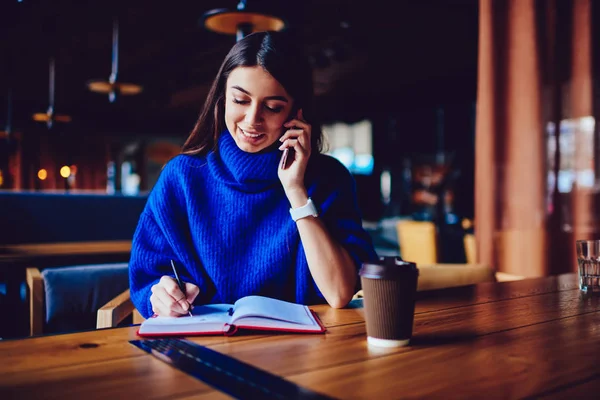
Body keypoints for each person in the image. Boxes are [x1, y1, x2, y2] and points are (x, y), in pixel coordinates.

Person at [129, 30, 377, 318]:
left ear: (296, 113)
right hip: (205, 347)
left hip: (304, 353)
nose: (252, 120)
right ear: (222, 98)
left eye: (272, 107)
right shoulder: (182, 177)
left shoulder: (329, 179)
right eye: (240, 100)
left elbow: (339, 292)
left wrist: (296, 190)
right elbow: (148, 281)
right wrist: (160, 297)